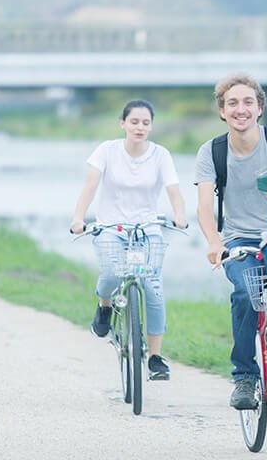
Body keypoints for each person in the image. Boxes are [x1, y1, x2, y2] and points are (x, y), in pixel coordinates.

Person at [70, 99, 187, 381]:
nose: (140, 127)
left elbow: (173, 190)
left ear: (151, 126)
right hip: (111, 227)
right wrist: (79, 218)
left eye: (146, 123)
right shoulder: (107, 151)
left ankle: (155, 358)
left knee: (153, 286)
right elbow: (90, 184)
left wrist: (180, 215)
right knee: (111, 273)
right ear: (123, 123)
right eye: (134, 122)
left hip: (148, 228)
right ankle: (104, 307)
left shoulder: (161, 155)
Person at [195, 72, 267, 409]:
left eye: (248, 102)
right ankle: (245, 377)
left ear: (260, 108)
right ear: (222, 111)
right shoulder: (213, 151)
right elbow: (205, 206)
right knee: (244, 293)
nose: (241, 109)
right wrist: (212, 241)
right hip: (239, 239)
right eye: (232, 103)